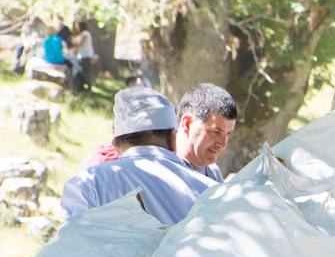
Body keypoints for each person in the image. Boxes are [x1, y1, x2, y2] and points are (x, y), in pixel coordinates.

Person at [60, 87, 218, 225]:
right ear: (171, 137)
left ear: (115, 142)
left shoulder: (87, 185)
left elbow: (70, 249)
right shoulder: (210, 191)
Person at [175, 83, 238, 180]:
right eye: (216, 132)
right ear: (187, 123)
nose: (222, 144)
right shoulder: (161, 172)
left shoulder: (213, 174)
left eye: (228, 134)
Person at [69, 20, 96, 90]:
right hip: (82, 56)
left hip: (86, 55)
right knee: (83, 72)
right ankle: (82, 86)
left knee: (86, 72)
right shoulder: (82, 34)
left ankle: (89, 86)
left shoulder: (85, 33)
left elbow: (79, 43)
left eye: (77, 25)